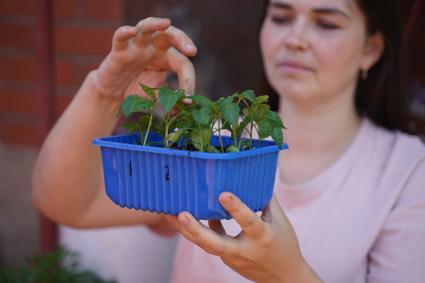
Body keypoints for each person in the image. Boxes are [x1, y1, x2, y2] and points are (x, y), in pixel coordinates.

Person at [32, 0, 425, 282]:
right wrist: (106, 88)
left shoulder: (406, 170)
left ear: (371, 48)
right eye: (281, 17)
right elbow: (67, 203)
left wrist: (286, 276)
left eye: (327, 23)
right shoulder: (210, 141)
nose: (295, 39)